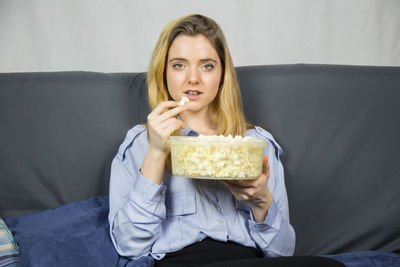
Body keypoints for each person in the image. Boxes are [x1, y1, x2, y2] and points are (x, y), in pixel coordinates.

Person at [108, 14, 345, 267]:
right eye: (179, 65)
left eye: (207, 65)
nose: (193, 78)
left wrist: (261, 200)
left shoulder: (257, 143)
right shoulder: (139, 143)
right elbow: (129, 246)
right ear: (163, 72)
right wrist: (156, 152)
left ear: (222, 74)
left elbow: (283, 253)